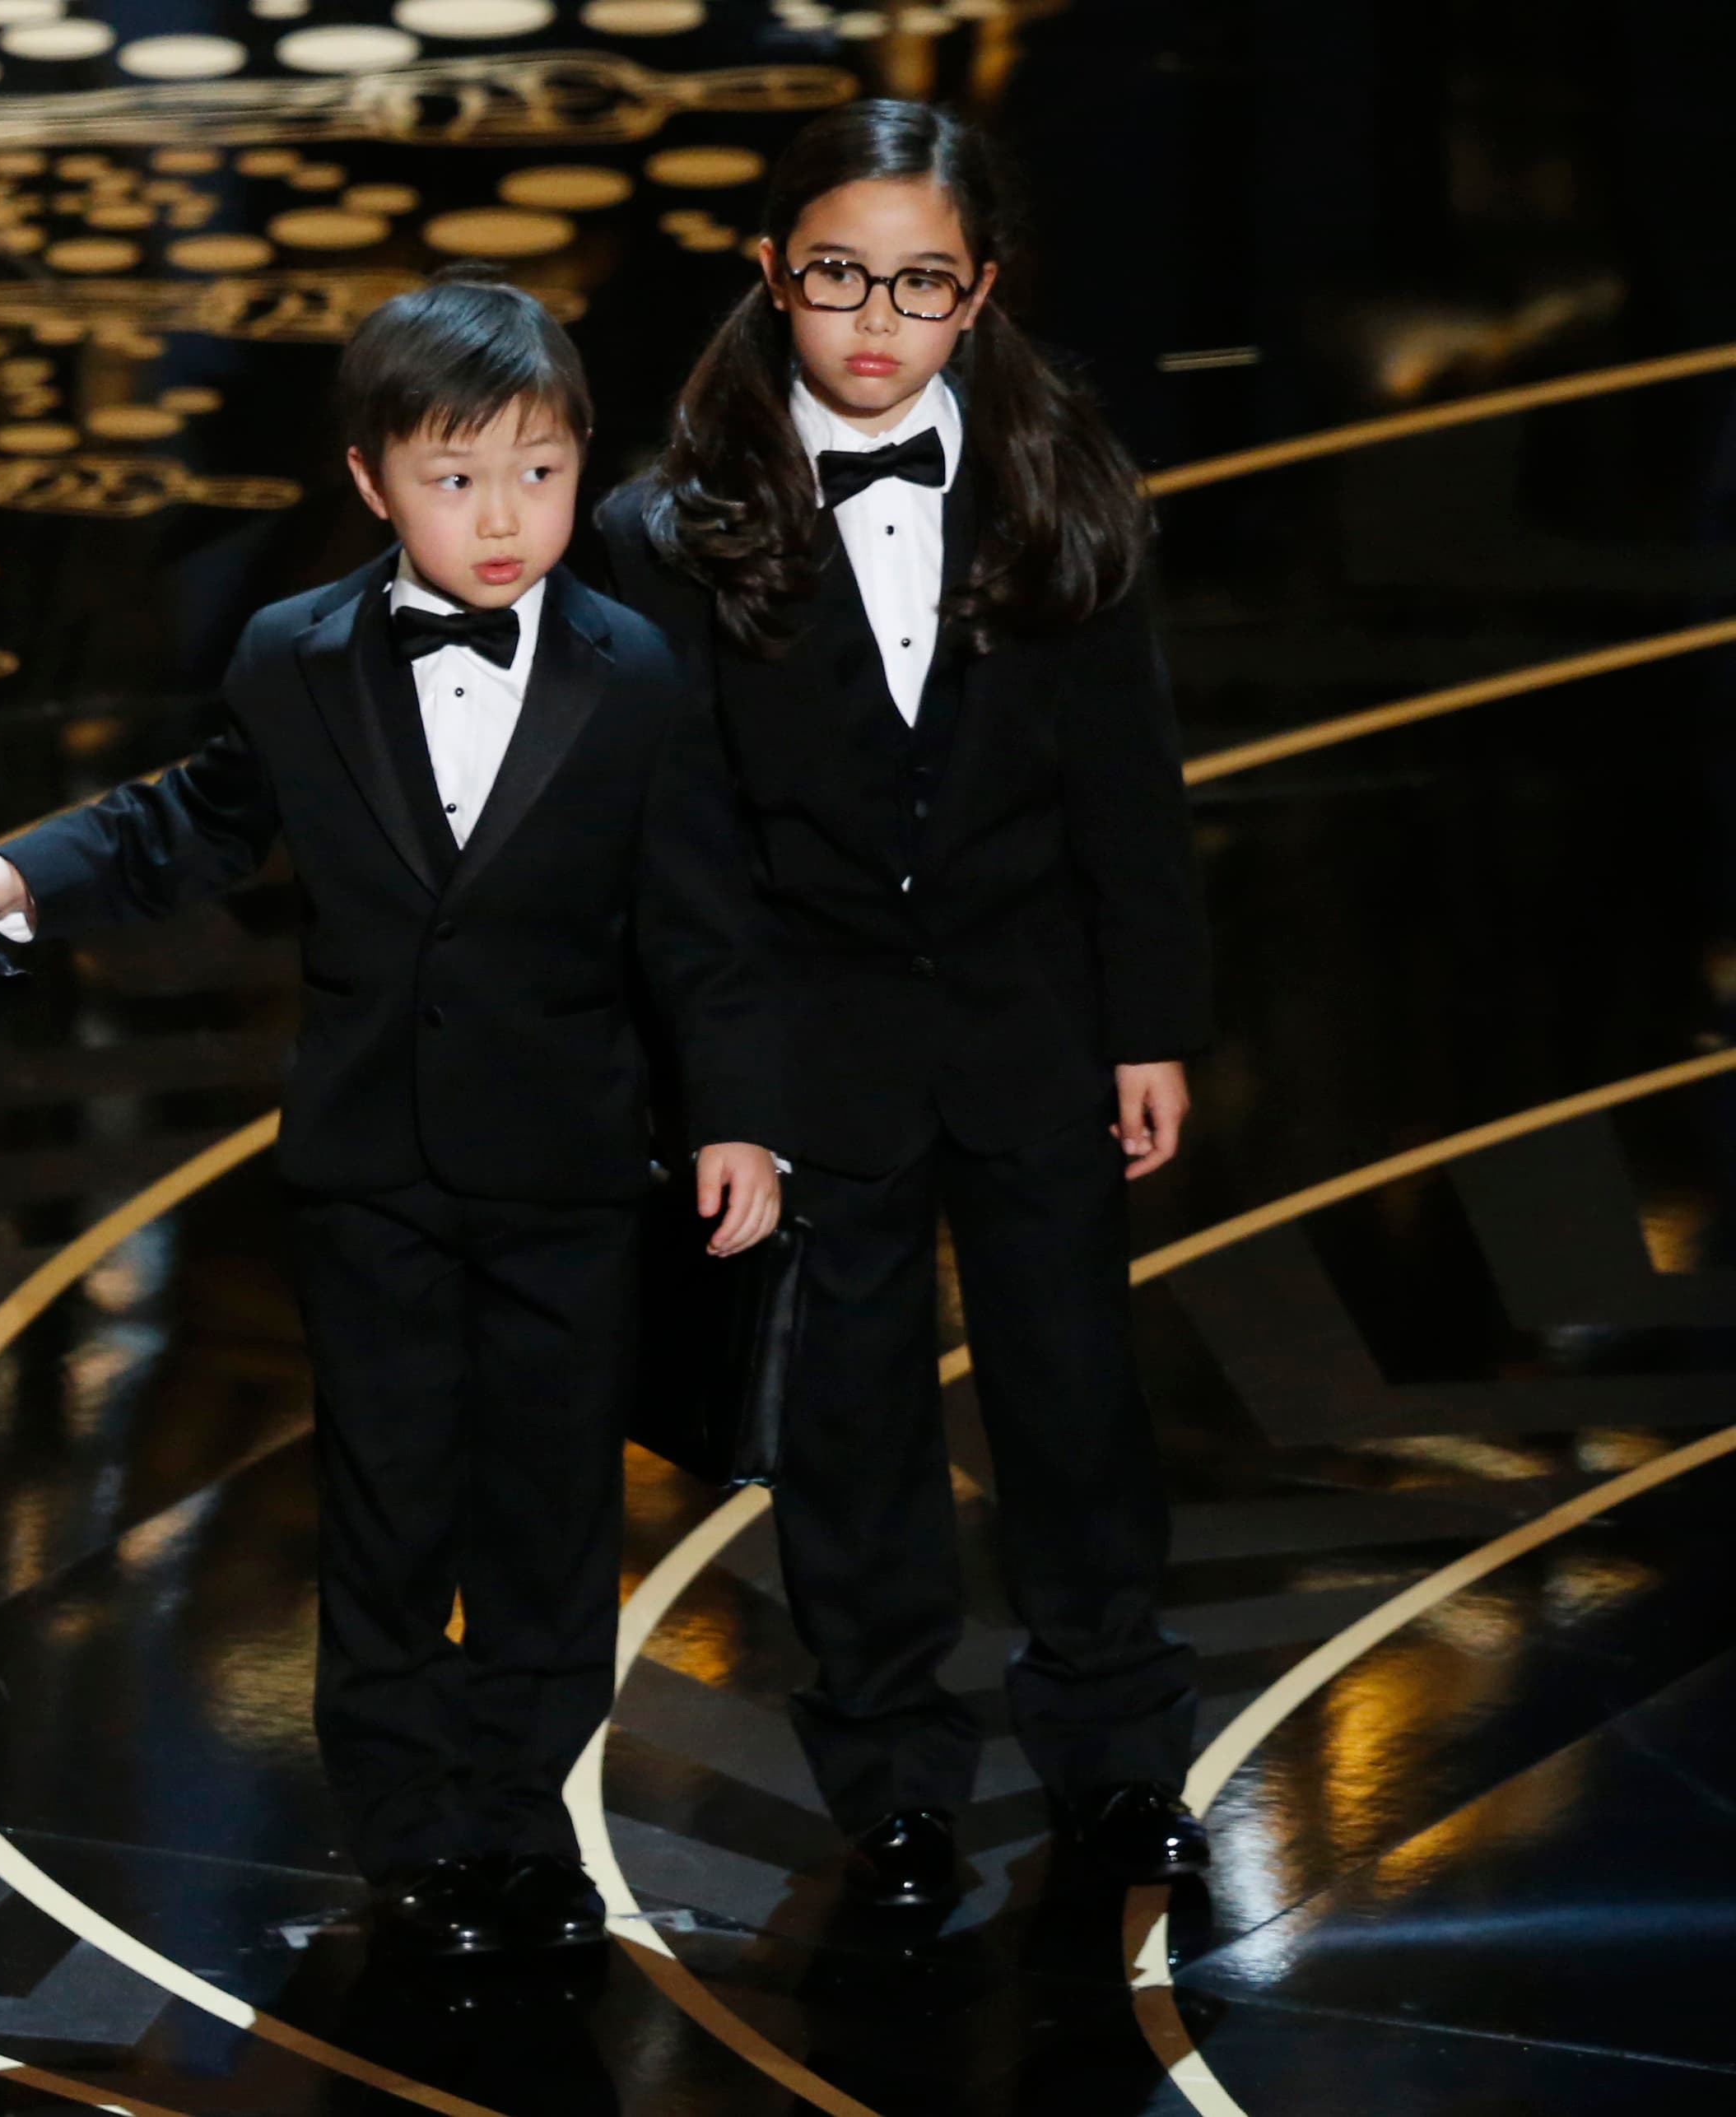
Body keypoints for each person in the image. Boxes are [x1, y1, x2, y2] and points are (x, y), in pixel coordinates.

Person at [0, 266, 784, 1958]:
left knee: (548, 1511)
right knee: (386, 1504)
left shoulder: (634, 669)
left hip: (568, 1170)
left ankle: (520, 1815)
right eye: (456, 478)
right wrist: (20, 871)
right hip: (368, 1171)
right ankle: (404, 1827)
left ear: (584, 464)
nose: (503, 516)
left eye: (539, 472)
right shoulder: (293, 655)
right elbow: (187, 822)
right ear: (373, 483)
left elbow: (699, 917)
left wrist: (736, 1114)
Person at [595, 100, 1212, 1907]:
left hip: (1035, 1023)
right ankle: (889, 1779)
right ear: (769, 272)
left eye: (921, 283)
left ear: (981, 292)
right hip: (810, 1048)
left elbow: (1129, 783)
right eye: (840, 276)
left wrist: (1150, 1020)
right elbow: (683, 855)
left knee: (1076, 1402)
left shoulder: (1061, 486)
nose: (877, 320)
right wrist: (725, 1095)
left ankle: (1119, 1755)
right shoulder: (667, 531)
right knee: (847, 1430)